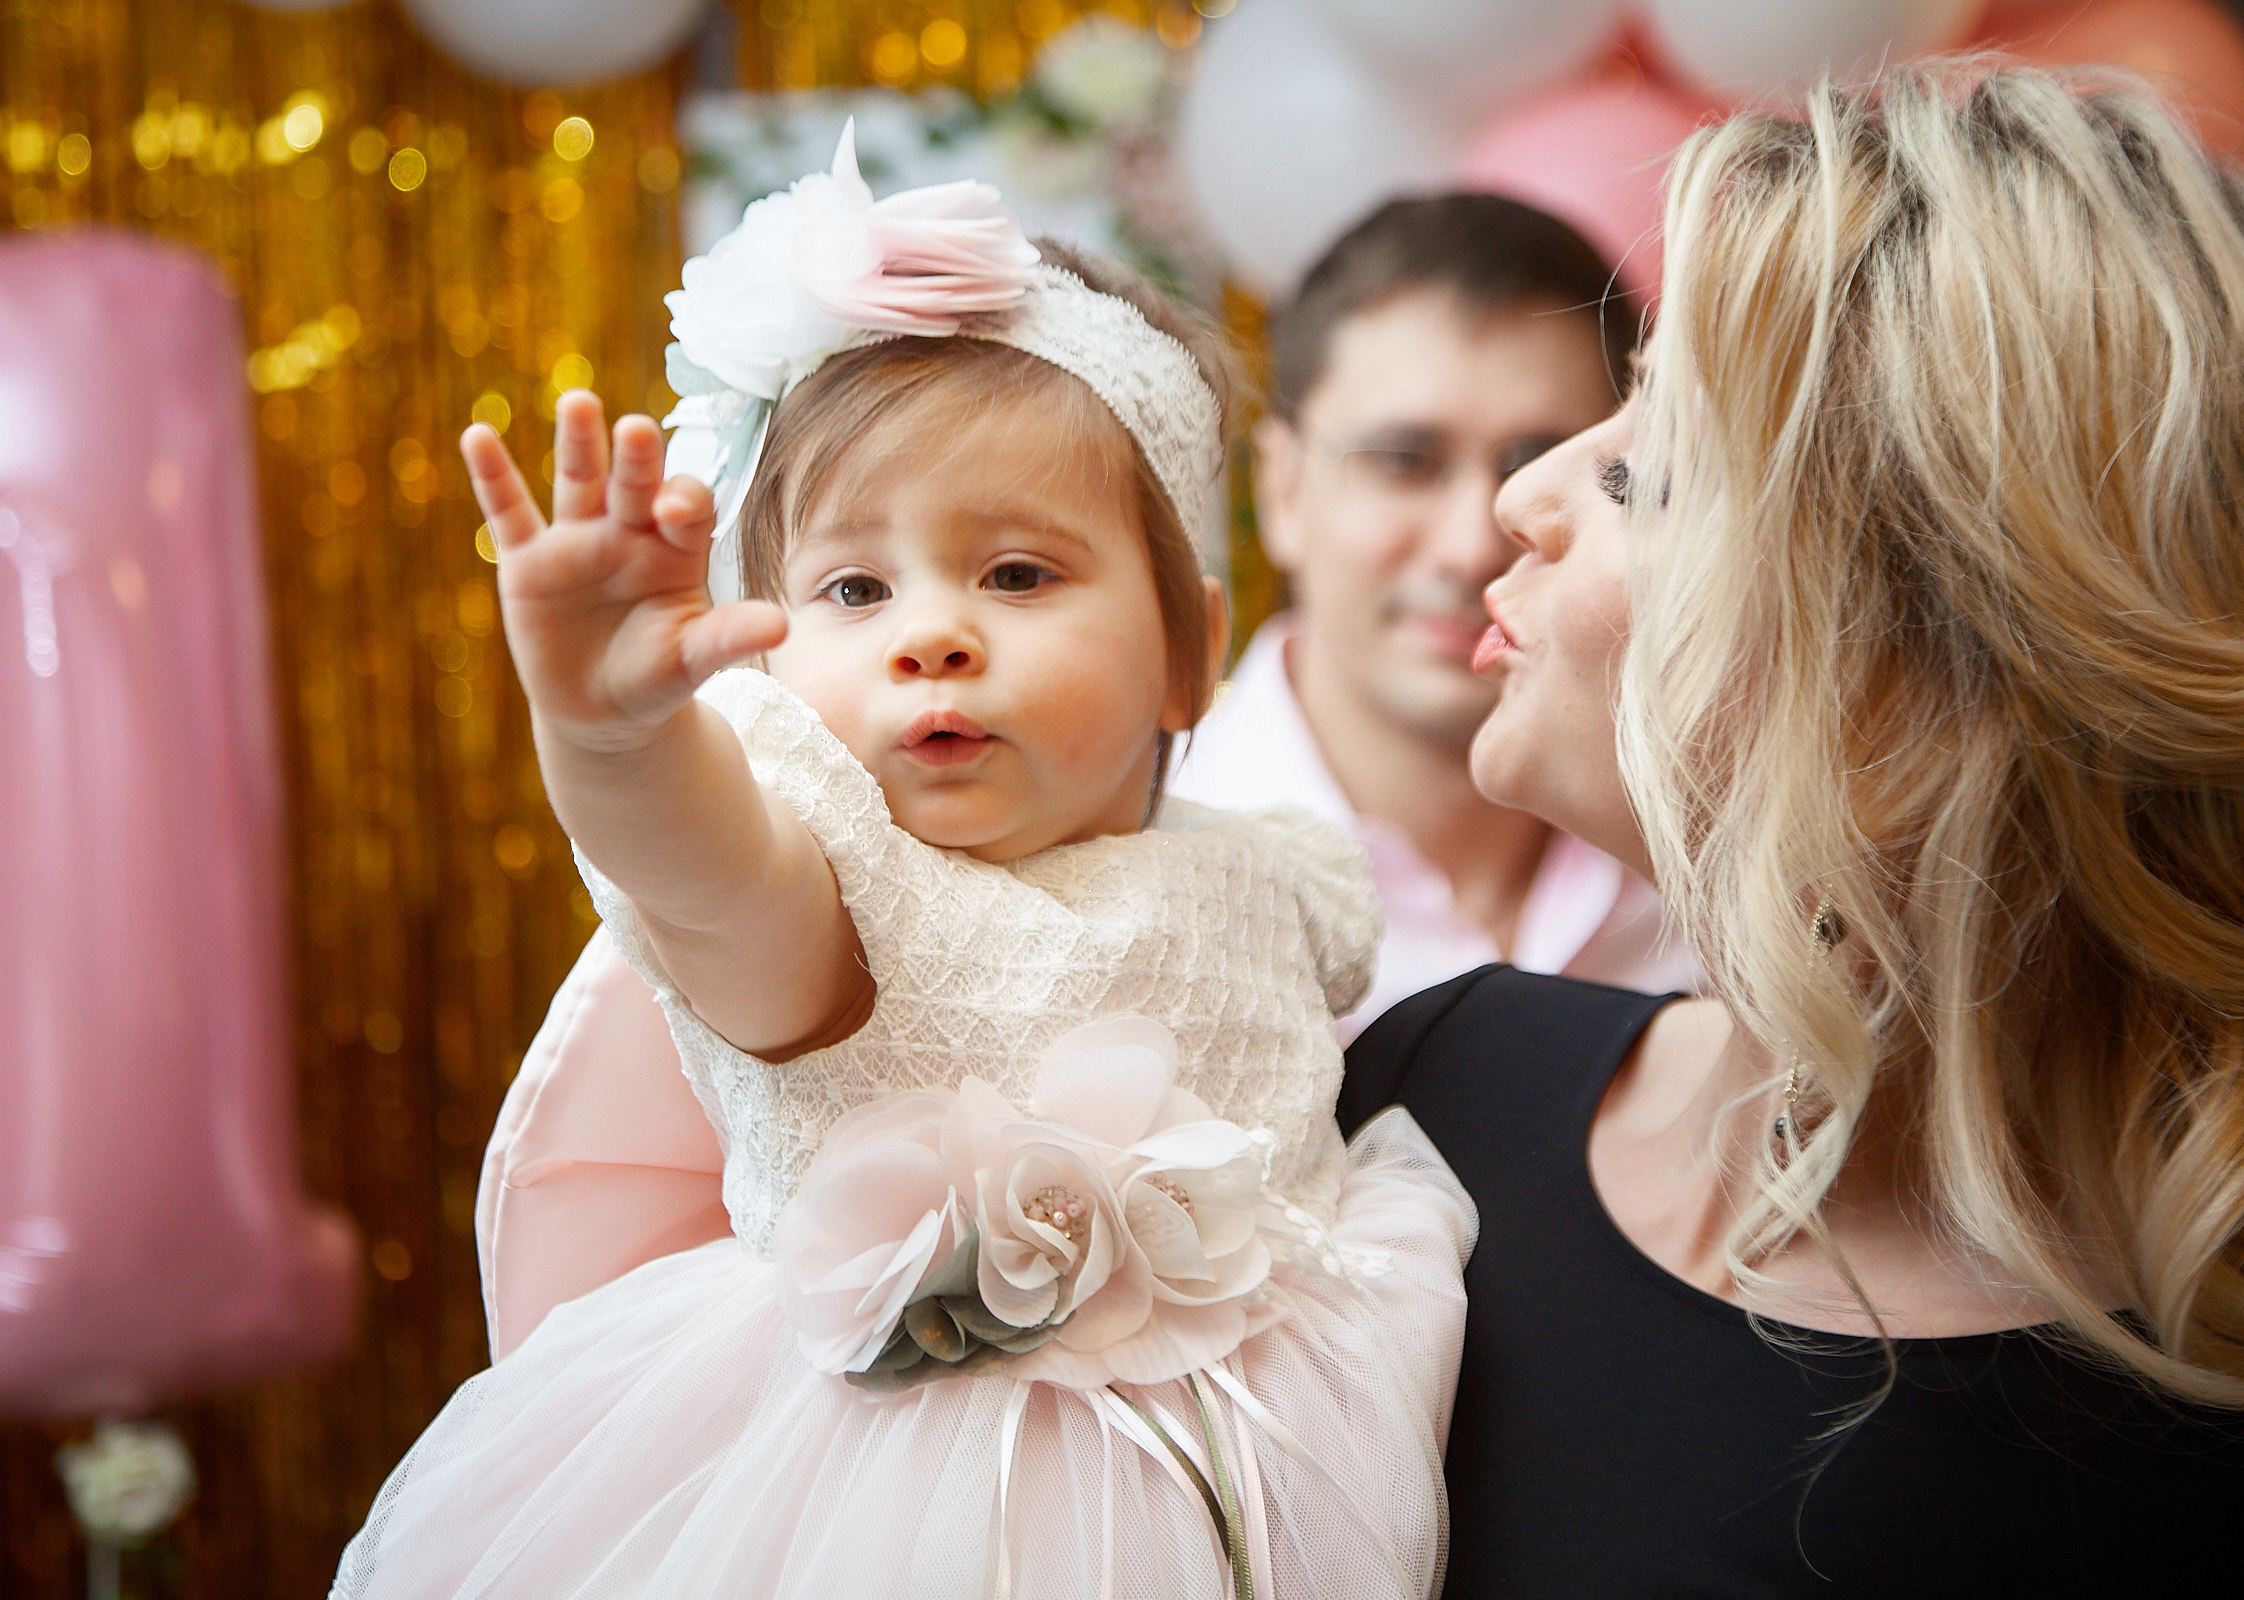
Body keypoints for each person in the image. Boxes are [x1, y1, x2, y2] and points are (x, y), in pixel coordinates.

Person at [334, 134, 1472, 1600]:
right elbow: (702, 872)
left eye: (1018, 573)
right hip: (887, 1513)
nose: (930, 633)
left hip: (1267, 1477)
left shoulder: (1276, 872)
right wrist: (610, 734)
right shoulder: (831, 888)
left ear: (1188, 650)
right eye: (855, 588)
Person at [1341, 65, 2244, 1597]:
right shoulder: (1432, 1100)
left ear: (1922, 661)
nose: (1527, 498)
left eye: (1647, 470)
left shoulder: (2182, 1417)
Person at [1172, 194, 1694, 1038]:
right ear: (1281, 488)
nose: (1470, 544)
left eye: (1537, 460)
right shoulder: (1131, 862)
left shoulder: (1729, 880)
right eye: (1404, 462)